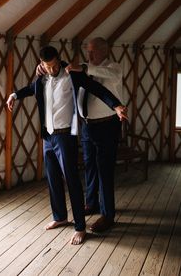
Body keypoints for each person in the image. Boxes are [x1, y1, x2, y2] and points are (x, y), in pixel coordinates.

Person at [7, 46, 127, 244]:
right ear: (42, 65)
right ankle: (60, 217)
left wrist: (116, 105)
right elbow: (31, 89)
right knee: (53, 179)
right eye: (47, 66)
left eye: (54, 65)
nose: (52, 69)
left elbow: (96, 88)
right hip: (48, 137)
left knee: (71, 180)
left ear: (58, 60)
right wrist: (14, 95)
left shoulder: (72, 75)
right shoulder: (42, 78)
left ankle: (80, 226)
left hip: (65, 137)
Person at [65, 37, 124, 233]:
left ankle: (108, 215)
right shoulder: (86, 68)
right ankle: (92, 203)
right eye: (87, 51)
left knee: (104, 169)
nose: (89, 55)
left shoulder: (114, 68)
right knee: (90, 166)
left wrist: (84, 67)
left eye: (93, 51)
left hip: (107, 126)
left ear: (104, 51)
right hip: (88, 126)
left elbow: (104, 74)